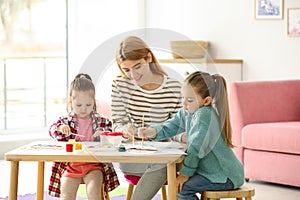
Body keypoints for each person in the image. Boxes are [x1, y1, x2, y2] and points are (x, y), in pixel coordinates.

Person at [138, 71, 245, 200]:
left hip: (224, 175)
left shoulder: (204, 115)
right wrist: (152, 131)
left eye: (189, 100)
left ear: (206, 101)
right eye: (182, 98)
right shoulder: (188, 111)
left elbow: (195, 148)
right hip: (213, 173)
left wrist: (185, 174)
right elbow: (171, 126)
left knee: (182, 189)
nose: (184, 103)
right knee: (182, 185)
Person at [111, 36, 185, 200]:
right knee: (163, 165)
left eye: (138, 66)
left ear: (148, 58)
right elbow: (117, 123)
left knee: (164, 163)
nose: (133, 75)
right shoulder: (120, 85)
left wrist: (181, 135)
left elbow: (177, 128)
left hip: (164, 154)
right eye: (127, 70)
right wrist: (124, 130)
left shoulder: (174, 87)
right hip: (133, 155)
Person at [48, 73, 119, 200]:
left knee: (94, 192)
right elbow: (52, 129)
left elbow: (111, 133)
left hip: (94, 166)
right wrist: (60, 128)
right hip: (71, 166)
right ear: (71, 102)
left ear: (94, 102)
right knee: (66, 194)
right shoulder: (66, 120)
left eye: (88, 105)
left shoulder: (101, 121)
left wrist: (103, 134)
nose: (84, 109)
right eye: (79, 105)